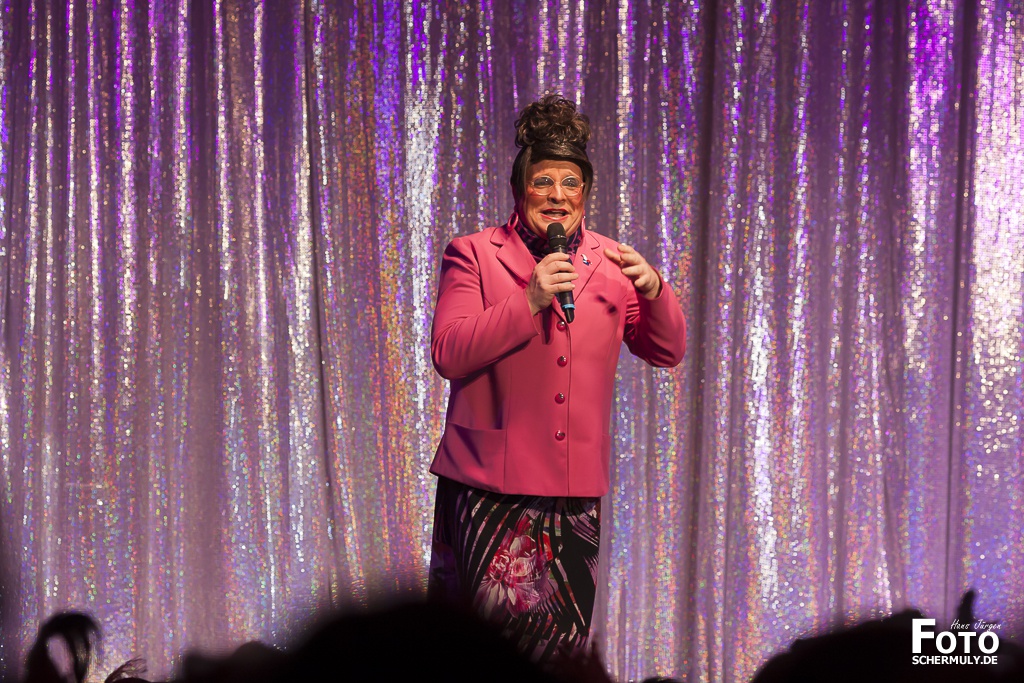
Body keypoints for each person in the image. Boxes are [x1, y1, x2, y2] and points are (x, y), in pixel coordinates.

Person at [427, 94, 686, 665]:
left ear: (585, 192)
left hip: (573, 497)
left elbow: (667, 350)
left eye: (571, 183)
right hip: (490, 490)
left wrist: (654, 290)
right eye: (543, 181)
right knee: (490, 659)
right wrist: (528, 300)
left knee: (563, 658)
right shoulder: (474, 254)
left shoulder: (612, 263)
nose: (558, 196)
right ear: (519, 188)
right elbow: (449, 351)